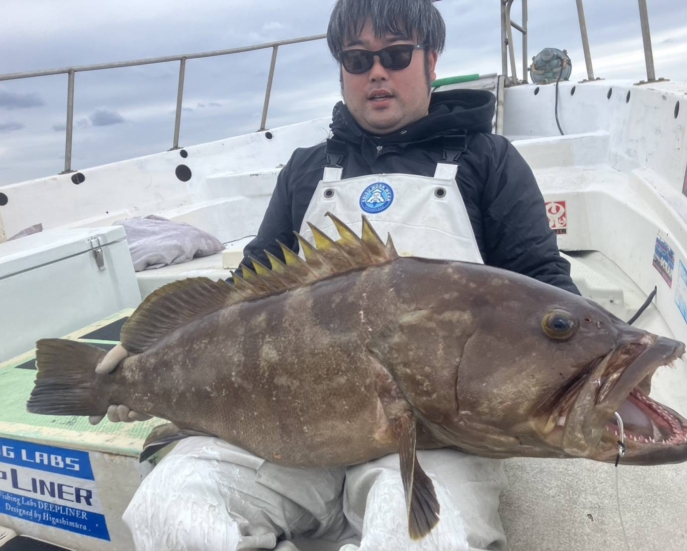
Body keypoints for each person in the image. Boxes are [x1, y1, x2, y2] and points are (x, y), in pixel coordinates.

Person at [108, 1, 580, 549]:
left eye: (395, 55)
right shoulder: (306, 168)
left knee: (420, 539)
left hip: (432, 439)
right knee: (169, 510)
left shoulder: (487, 159)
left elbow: (541, 282)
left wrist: (581, 366)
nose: (376, 72)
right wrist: (147, 354)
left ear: (431, 61)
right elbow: (246, 290)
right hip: (286, 430)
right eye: (357, 59)